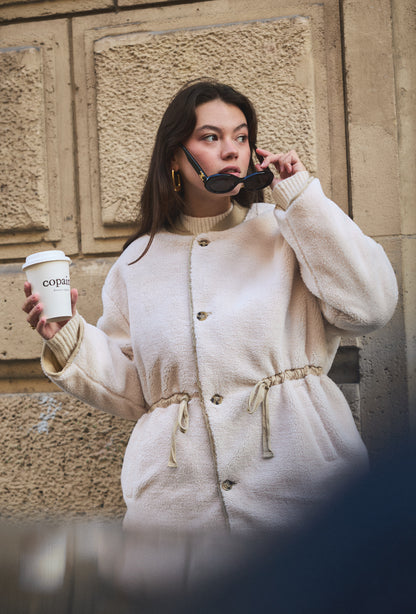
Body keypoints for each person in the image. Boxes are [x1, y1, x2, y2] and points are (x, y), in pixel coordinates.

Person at [22, 80, 398, 533]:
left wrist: (300, 197)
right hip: (179, 508)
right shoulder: (137, 261)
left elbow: (370, 307)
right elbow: (135, 389)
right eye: (211, 137)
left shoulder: (286, 230)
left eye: (241, 137)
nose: (232, 150)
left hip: (302, 489)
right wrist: (67, 335)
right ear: (174, 156)